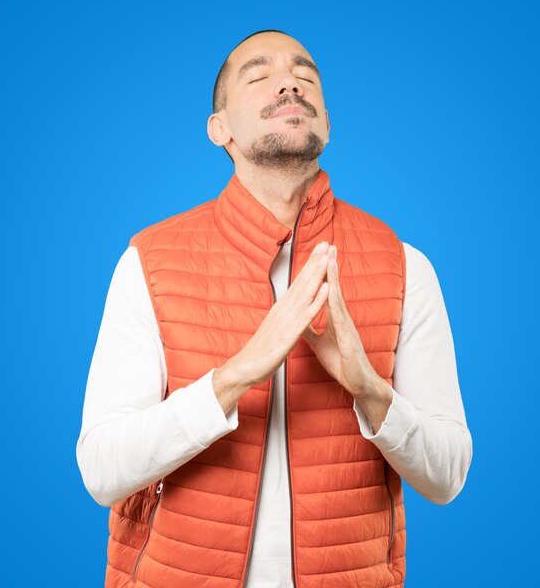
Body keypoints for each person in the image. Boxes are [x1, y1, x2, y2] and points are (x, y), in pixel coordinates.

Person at [76, 29, 473, 588]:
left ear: (327, 124)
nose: (289, 82)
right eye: (259, 76)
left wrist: (368, 388)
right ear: (220, 130)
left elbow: (447, 477)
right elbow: (102, 472)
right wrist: (235, 375)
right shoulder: (150, 261)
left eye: (305, 76)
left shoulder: (405, 266)